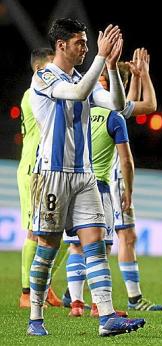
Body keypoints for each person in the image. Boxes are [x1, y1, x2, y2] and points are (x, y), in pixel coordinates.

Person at [27, 17, 145, 336]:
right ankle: (35, 317)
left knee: (96, 243)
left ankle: (106, 317)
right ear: (62, 45)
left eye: (87, 43)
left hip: (84, 176)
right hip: (51, 175)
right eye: (81, 42)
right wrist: (101, 59)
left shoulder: (85, 76)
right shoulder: (44, 77)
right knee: (49, 248)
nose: (86, 47)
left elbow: (118, 105)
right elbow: (78, 93)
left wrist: (111, 68)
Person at [62, 48, 162, 316]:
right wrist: (143, 77)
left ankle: (73, 297)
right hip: (109, 182)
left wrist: (138, 77)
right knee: (108, 241)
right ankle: (108, 300)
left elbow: (126, 103)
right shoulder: (109, 114)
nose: (104, 86)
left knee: (82, 242)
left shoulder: (78, 109)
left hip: (73, 180)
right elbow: (143, 107)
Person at [17, 48, 67, 309]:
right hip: (32, 170)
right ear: (40, 71)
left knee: (61, 233)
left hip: (49, 169)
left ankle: (44, 285)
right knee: (34, 231)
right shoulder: (32, 95)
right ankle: (27, 293)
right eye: (51, 69)